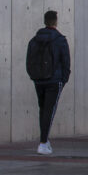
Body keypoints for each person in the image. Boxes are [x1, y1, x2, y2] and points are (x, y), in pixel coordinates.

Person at [31, 10, 71, 156]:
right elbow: (66, 61)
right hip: (54, 80)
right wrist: (64, 79)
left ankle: (44, 141)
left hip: (38, 79)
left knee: (43, 109)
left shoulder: (35, 39)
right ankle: (43, 143)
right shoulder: (60, 39)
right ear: (55, 22)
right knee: (50, 110)